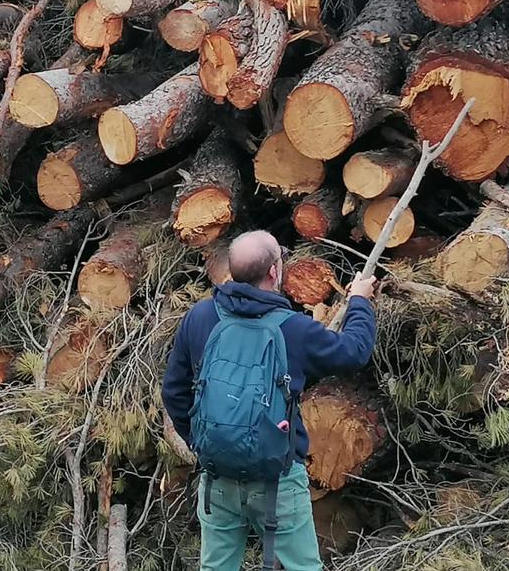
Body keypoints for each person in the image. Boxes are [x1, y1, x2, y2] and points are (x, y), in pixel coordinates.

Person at [161, 230, 377, 570]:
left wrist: (204, 443)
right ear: (275, 272)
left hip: (217, 475)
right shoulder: (294, 329)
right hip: (277, 478)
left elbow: (174, 392)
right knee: (303, 567)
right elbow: (353, 353)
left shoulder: (200, 318)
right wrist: (360, 302)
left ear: (231, 273)